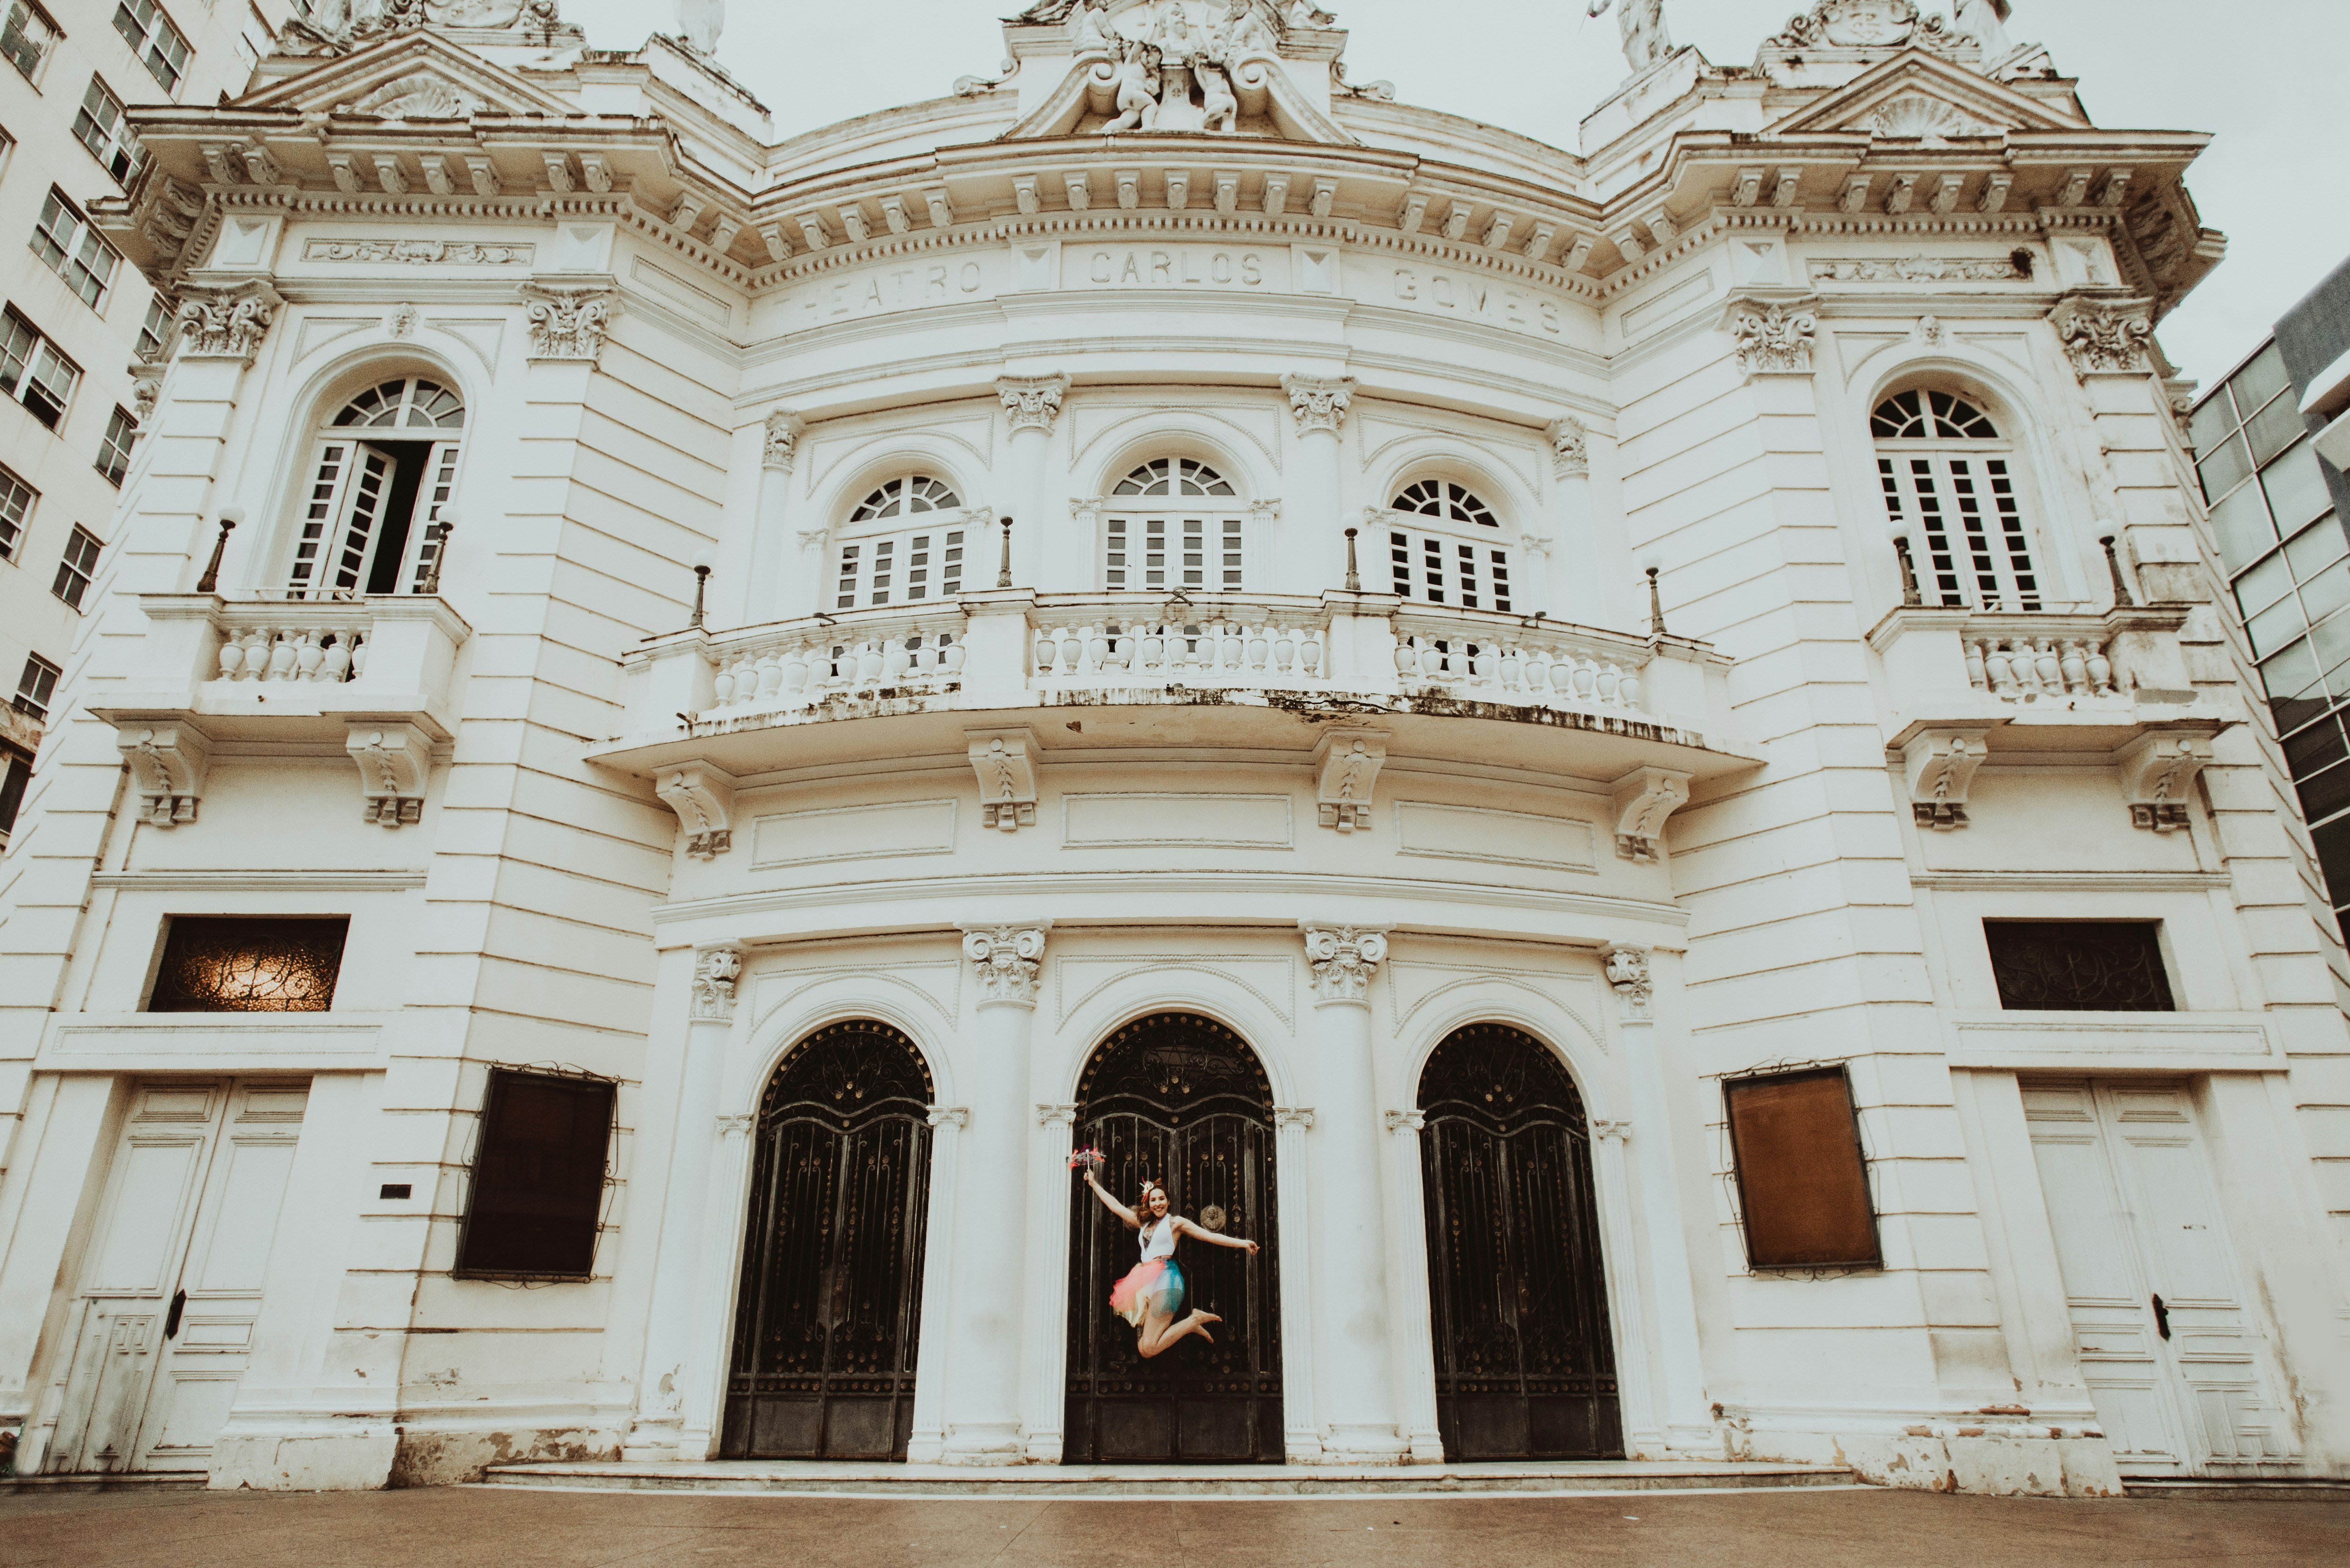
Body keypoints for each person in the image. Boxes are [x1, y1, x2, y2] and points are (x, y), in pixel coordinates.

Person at [1082, 1167, 1258, 1358]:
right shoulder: (1144, 1223)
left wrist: (1243, 1244)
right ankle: (1190, 1324)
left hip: (1167, 1281)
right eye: (1153, 1200)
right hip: (1145, 1281)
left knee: (1149, 1349)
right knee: (1143, 1348)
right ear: (1148, 1204)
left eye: (1162, 1199)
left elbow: (1209, 1236)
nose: (1158, 1204)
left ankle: (1193, 1321)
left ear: (1168, 1201)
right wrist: (1094, 1184)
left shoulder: (1176, 1223)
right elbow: (1116, 1207)